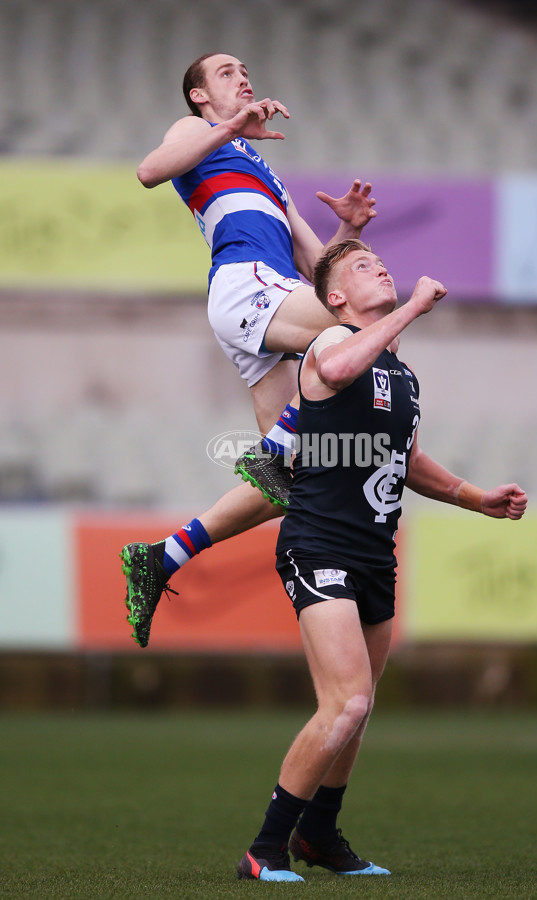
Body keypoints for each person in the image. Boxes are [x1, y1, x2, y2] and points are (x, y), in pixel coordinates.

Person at [236, 238, 528, 881]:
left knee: (358, 708)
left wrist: (476, 497)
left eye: (381, 262)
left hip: (374, 554)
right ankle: (264, 849)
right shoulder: (327, 346)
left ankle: (320, 837)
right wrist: (415, 307)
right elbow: (338, 374)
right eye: (363, 267)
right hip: (318, 545)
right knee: (346, 703)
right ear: (335, 297)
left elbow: (411, 461)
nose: (383, 268)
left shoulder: (400, 371)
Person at [121, 52, 378, 647]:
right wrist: (231, 127)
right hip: (247, 285)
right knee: (364, 326)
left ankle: (161, 557)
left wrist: (350, 233)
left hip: (278, 295)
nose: (244, 78)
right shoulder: (198, 133)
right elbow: (149, 172)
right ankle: (278, 448)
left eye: (246, 71)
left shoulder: (263, 169)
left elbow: (322, 274)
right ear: (199, 96)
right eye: (227, 72)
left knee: (285, 484)